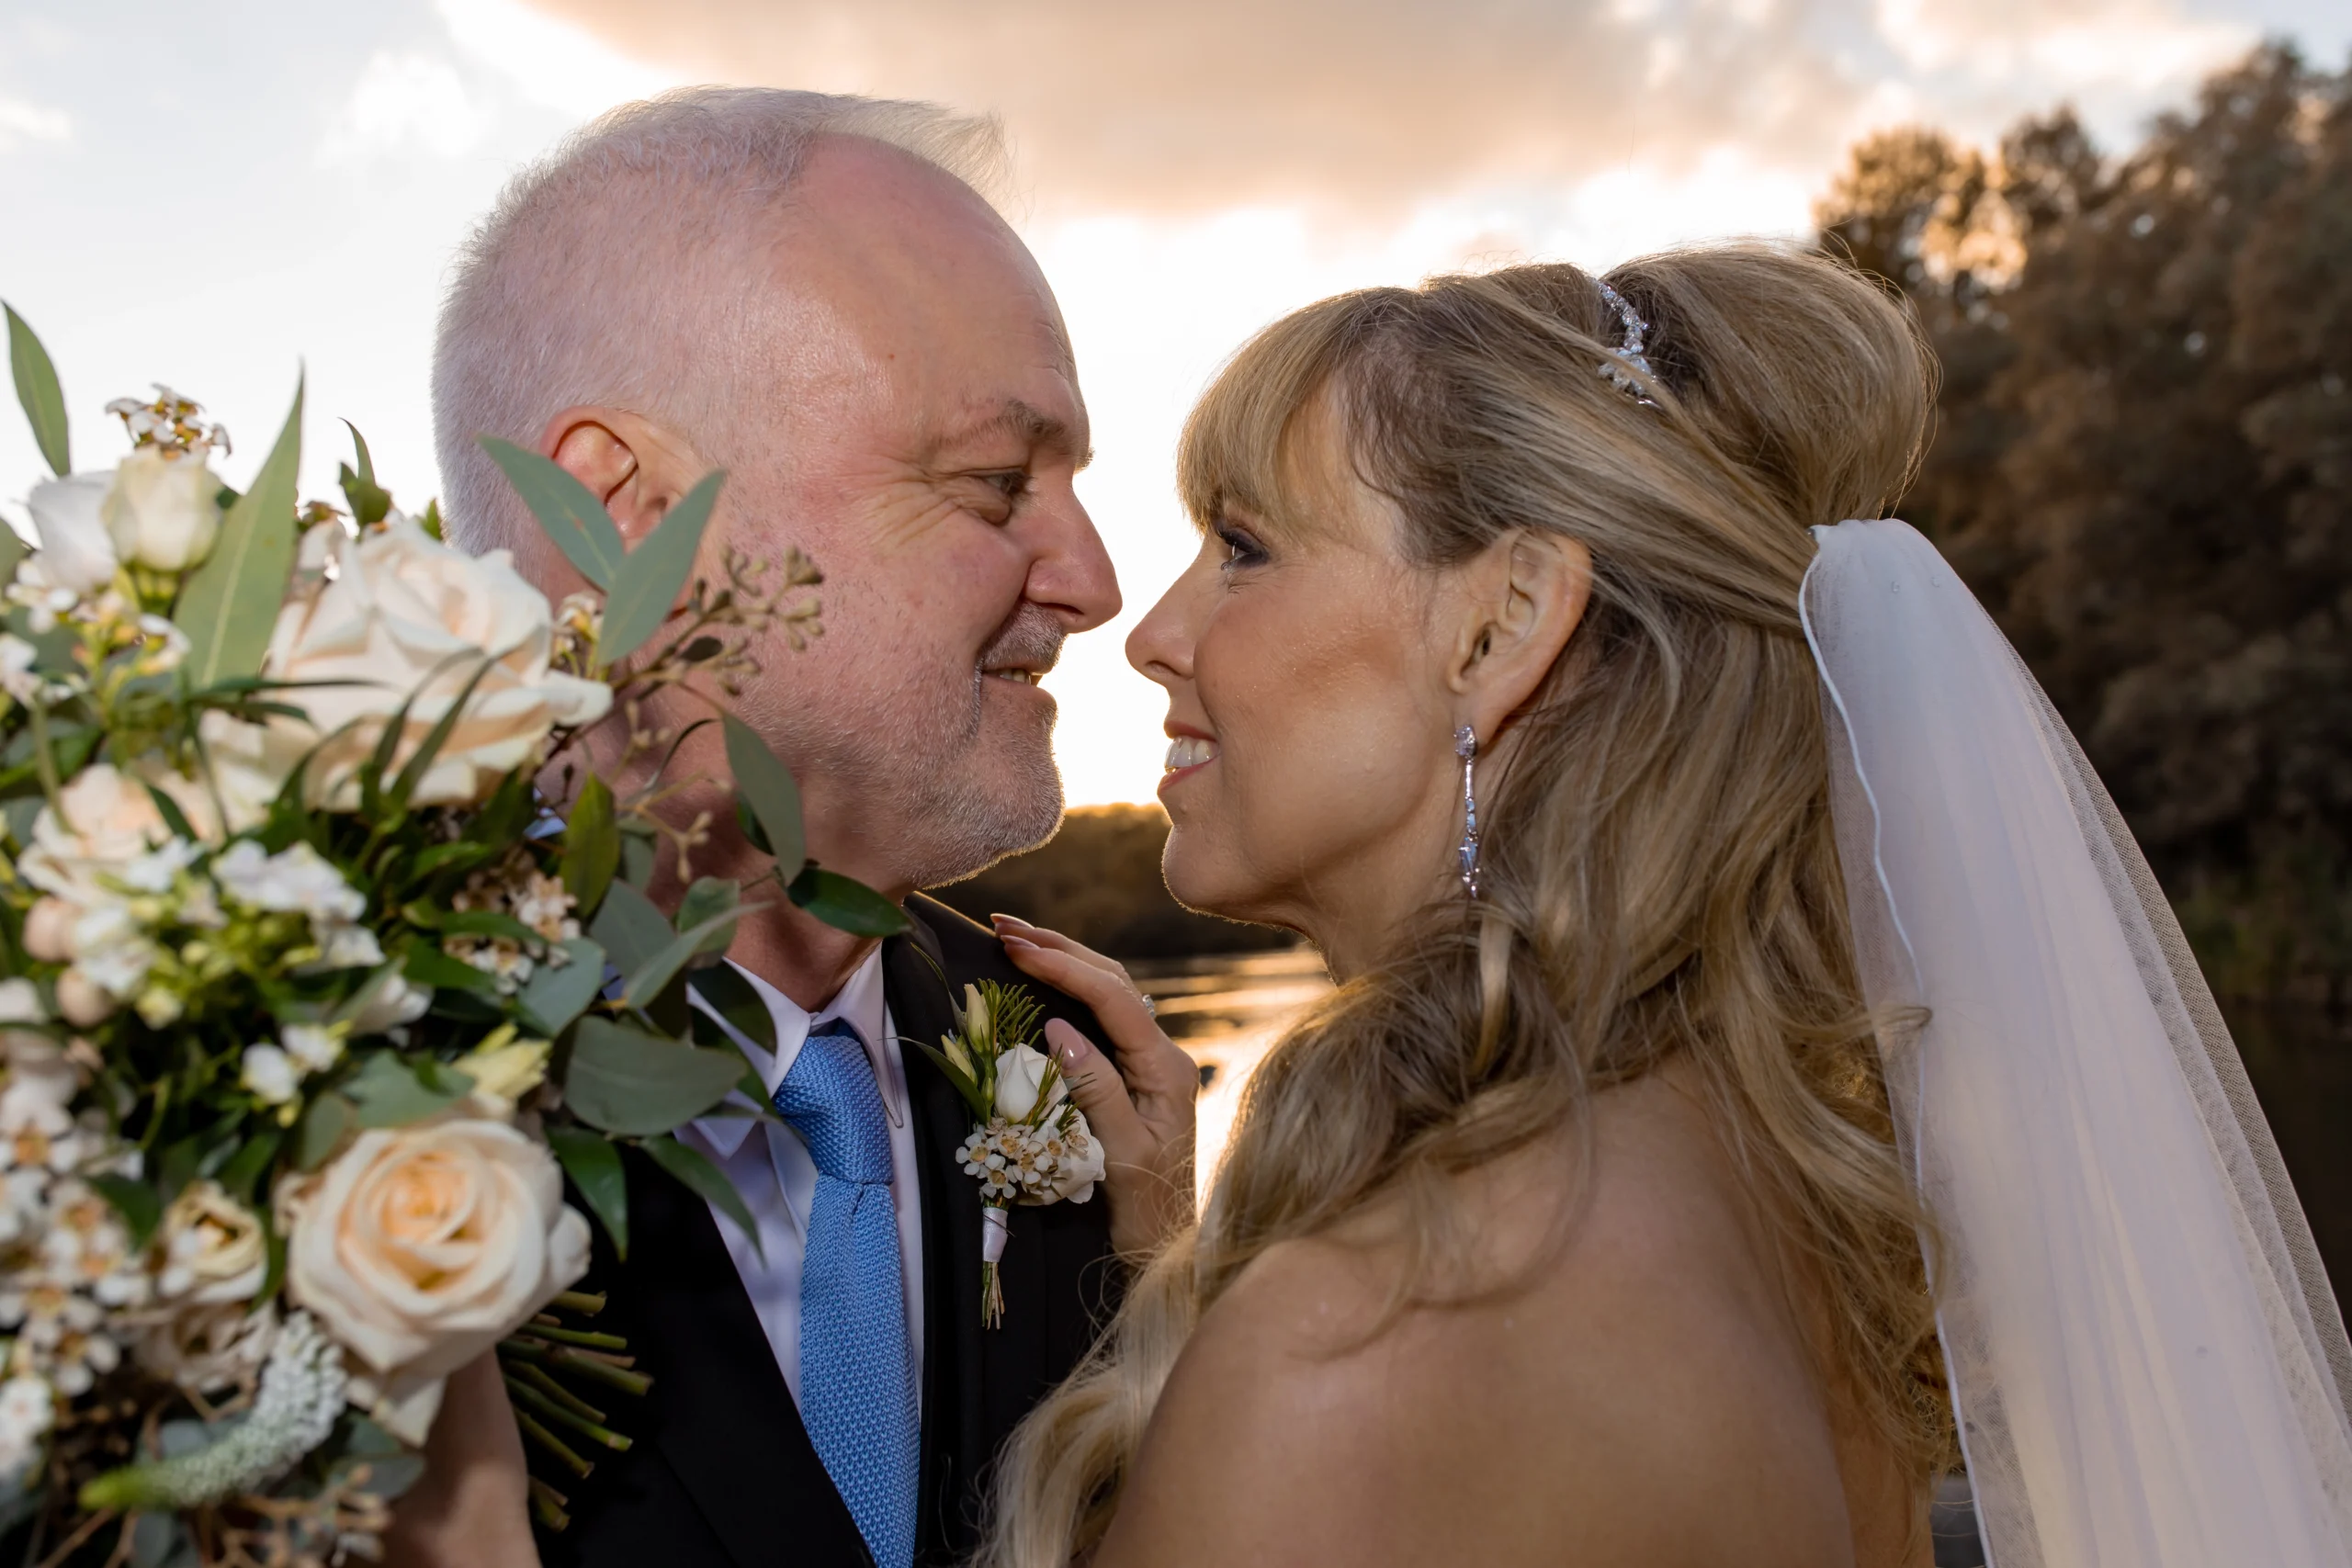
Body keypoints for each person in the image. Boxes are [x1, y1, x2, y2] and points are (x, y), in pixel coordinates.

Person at [977, 248, 2352, 1566]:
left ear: (1502, 626)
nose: (1153, 628)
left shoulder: (1351, 1356)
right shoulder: (1793, 1233)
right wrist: (1165, 1252)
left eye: (1243, 545)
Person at [382, 88, 1200, 1568]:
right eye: (995, 481)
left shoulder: (1078, 1081)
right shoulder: (313, 1106)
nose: (1093, 578)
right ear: (619, 516)